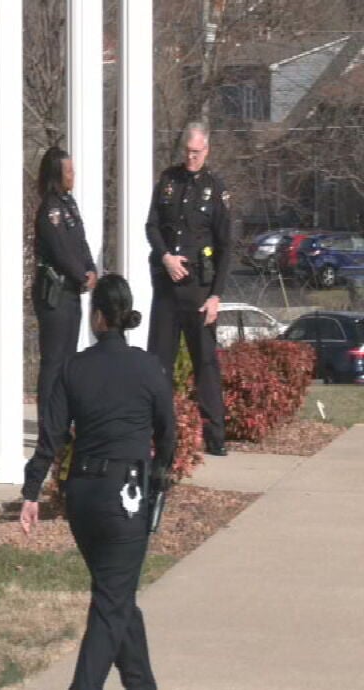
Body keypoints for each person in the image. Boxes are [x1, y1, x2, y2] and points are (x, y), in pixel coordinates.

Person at [20, 274, 176, 690]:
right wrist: (160, 474)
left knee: (115, 594)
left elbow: (50, 437)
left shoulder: (73, 367)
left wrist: (32, 491)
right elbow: (169, 433)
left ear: (98, 317)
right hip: (126, 496)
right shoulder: (148, 367)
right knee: (111, 602)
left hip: (83, 497)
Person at [146, 122, 231, 456]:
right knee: (159, 364)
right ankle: (162, 434)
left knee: (206, 365)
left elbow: (226, 247)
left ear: (206, 150)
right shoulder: (168, 181)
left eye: (197, 152)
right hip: (168, 289)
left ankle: (215, 436)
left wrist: (216, 295)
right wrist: (165, 257)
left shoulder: (215, 189)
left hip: (199, 290)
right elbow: (152, 226)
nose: (191, 157)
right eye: (187, 152)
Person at [33, 146, 97, 425]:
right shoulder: (50, 210)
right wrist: (81, 275)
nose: (73, 175)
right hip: (55, 296)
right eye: (68, 171)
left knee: (68, 360)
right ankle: (48, 420)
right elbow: (60, 251)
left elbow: (80, 243)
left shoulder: (69, 205)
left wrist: (91, 268)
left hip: (71, 294)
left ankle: (62, 418)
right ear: (56, 173)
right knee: (54, 361)